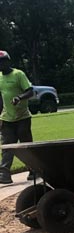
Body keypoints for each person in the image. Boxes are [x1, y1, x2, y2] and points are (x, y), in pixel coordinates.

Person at [0, 51, 34, 184]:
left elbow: (30, 91)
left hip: (22, 118)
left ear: (8, 61)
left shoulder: (18, 74)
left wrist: (19, 98)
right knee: (7, 146)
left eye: (2, 61)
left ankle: (34, 170)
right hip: (6, 118)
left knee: (26, 145)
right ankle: (4, 174)